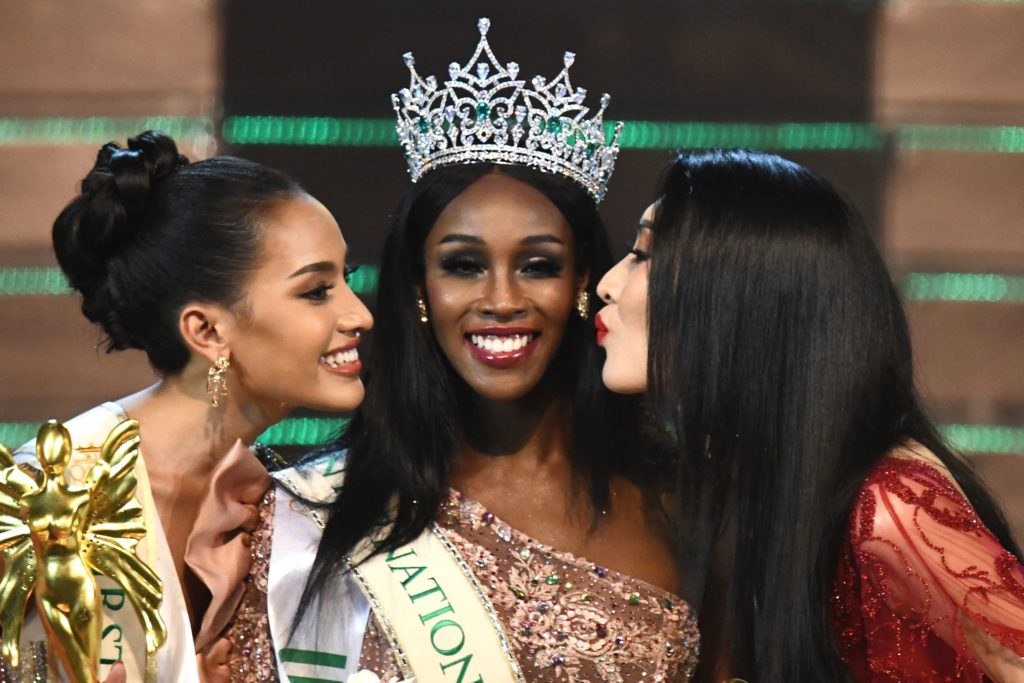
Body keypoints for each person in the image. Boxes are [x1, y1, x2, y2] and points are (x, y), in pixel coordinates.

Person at [274, 18, 699, 683]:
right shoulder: (319, 509)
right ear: (419, 287)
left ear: (584, 281)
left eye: (537, 265)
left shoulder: (681, 498)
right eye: (465, 265)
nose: (501, 299)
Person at [595, 148, 1024, 681]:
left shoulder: (889, 505)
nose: (607, 283)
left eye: (642, 254)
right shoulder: (740, 477)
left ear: (735, 294)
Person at [0, 130, 372, 682]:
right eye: (316, 291)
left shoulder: (277, 506)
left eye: (346, 281)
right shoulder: (43, 496)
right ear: (206, 330)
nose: (359, 314)